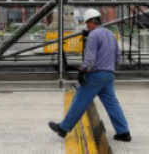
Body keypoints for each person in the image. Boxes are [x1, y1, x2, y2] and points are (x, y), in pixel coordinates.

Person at [49, 9, 131, 142]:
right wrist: (112, 70)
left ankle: (63, 129)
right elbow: (117, 56)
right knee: (112, 104)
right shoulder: (110, 34)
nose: (87, 26)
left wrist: (82, 71)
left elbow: (90, 57)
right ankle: (124, 132)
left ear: (92, 21)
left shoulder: (93, 35)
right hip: (108, 75)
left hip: (95, 75)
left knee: (79, 101)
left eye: (87, 23)